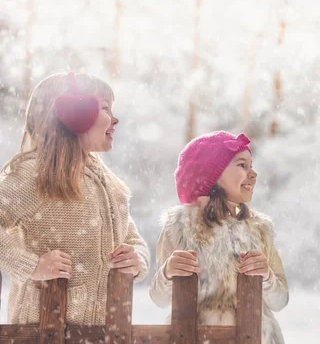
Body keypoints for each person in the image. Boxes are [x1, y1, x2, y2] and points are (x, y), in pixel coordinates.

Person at [0, 71, 149, 325]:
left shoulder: (107, 181)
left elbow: (130, 235)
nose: (115, 120)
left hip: (103, 332)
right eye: (105, 108)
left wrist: (137, 257)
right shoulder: (33, 174)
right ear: (73, 114)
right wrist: (30, 265)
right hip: (42, 332)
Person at [149, 131, 288, 344]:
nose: (253, 174)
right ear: (212, 173)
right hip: (193, 337)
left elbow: (280, 300)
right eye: (242, 165)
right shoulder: (178, 229)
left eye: (251, 166)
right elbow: (159, 299)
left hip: (254, 337)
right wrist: (168, 272)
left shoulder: (260, 230)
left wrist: (267, 276)